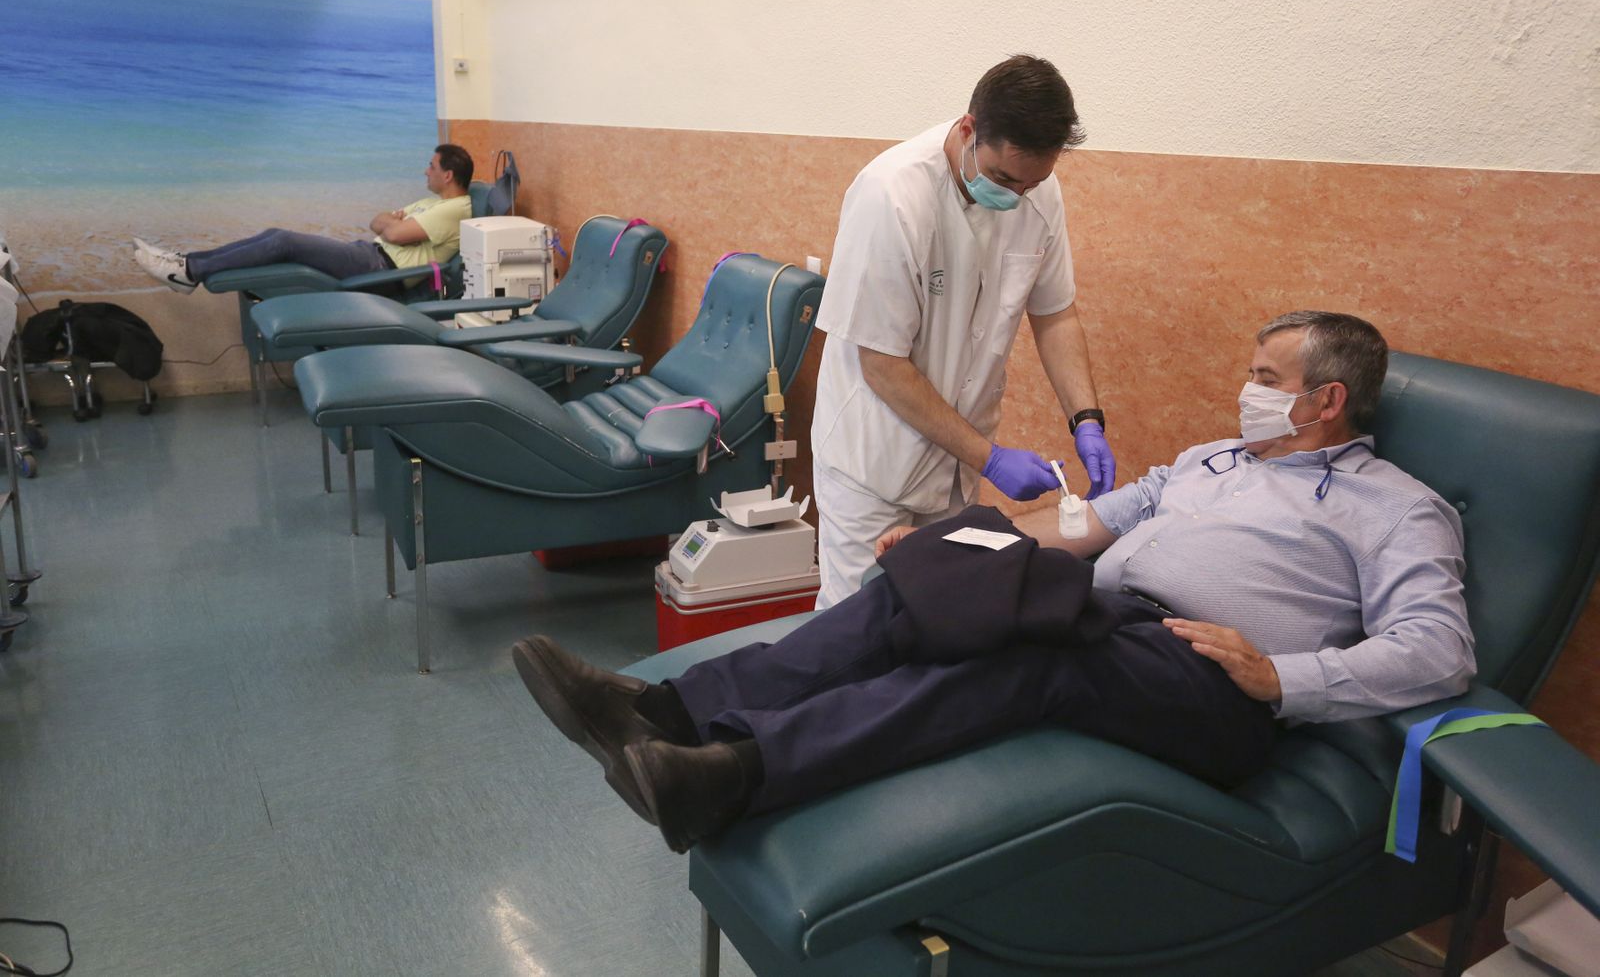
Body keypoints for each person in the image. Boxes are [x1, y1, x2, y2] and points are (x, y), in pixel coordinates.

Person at [514, 310, 1476, 853]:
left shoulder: (1395, 508)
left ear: (1326, 400)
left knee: (1027, 663)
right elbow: (1085, 526)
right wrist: (955, 543)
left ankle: (734, 776)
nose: (1246, 385)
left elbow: (1440, 650)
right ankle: (669, 714)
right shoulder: (1213, 458)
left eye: (1265, 374)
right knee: (927, 586)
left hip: (1212, 686)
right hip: (1108, 610)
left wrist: (1283, 678)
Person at [809, 55, 1115, 609]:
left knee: (941, 616)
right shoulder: (892, 196)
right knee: (854, 626)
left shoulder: (1036, 190)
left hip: (954, 463)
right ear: (969, 129)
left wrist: (1086, 418)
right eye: (1003, 179)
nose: (1018, 196)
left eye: (1034, 182)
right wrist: (991, 458)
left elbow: (1055, 314)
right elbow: (882, 364)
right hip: (874, 459)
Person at [131, 144, 475, 293]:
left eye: (431, 166)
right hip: (369, 254)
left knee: (283, 243)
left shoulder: (455, 209)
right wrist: (391, 225)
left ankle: (188, 272)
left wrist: (393, 226)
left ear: (448, 176)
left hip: (380, 271)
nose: (424, 171)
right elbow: (378, 221)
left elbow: (396, 234)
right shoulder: (431, 203)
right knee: (275, 233)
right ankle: (186, 265)